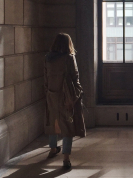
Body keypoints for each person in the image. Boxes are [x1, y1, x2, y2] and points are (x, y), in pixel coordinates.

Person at [44, 33, 86, 169]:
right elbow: (75, 77)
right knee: (68, 125)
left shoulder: (47, 58)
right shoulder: (69, 58)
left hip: (52, 94)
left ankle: (52, 149)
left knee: (53, 121)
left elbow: (45, 78)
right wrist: (78, 92)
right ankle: (66, 158)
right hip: (66, 95)